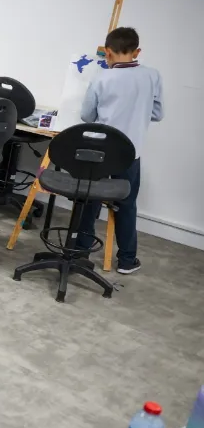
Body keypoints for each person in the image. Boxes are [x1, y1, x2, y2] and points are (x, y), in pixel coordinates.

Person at [76, 27, 163, 275]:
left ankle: (81, 250)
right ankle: (127, 259)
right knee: (126, 203)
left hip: (99, 150)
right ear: (137, 52)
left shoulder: (101, 78)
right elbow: (157, 113)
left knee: (90, 198)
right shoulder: (152, 75)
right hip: (129, 152)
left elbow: (86, 116)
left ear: (107, 52)